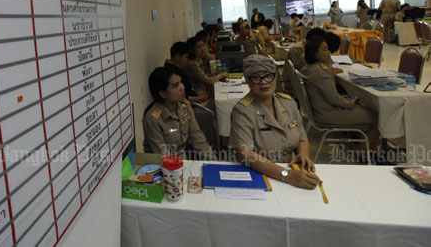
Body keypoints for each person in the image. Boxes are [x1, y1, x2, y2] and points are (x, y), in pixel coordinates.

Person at [229, 55, 320, 189]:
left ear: (275, 77)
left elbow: (302, 139)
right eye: (256, 77)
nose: (264, 82)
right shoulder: (243, 111)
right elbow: (245, 154)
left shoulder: (289, 103)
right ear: (248, 82)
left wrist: (303, 155)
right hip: (258, 173)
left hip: (291, 172)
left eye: (268, 75)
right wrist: (286, 175)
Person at [300, 37, 379, 149]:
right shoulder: (320, 73)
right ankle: (366, 153)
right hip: (328, 114)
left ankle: (361, 143)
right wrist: (351, 103)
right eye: (324, 50)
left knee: (362, 106)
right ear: (315, 53)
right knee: (376, 116)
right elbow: (334, 99)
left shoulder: (309, 68)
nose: (329, 52)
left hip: (320, 110)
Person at [143, 67, 214, 159]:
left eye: (181, 82)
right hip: (163, 166)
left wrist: (213, 162)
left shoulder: (184, 105)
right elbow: (163, 155)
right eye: (176, 86)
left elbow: (197, 137)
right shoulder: (153, 118)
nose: (183, 88)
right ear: (163, 93)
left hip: (183, 161)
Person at [164, 42, 211, 106]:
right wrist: (197, 98)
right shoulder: (172, 71)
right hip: (187, 103)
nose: (186, 60)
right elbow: (179, 94)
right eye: (185, 57)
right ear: (177, 56)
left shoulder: (177, 67)